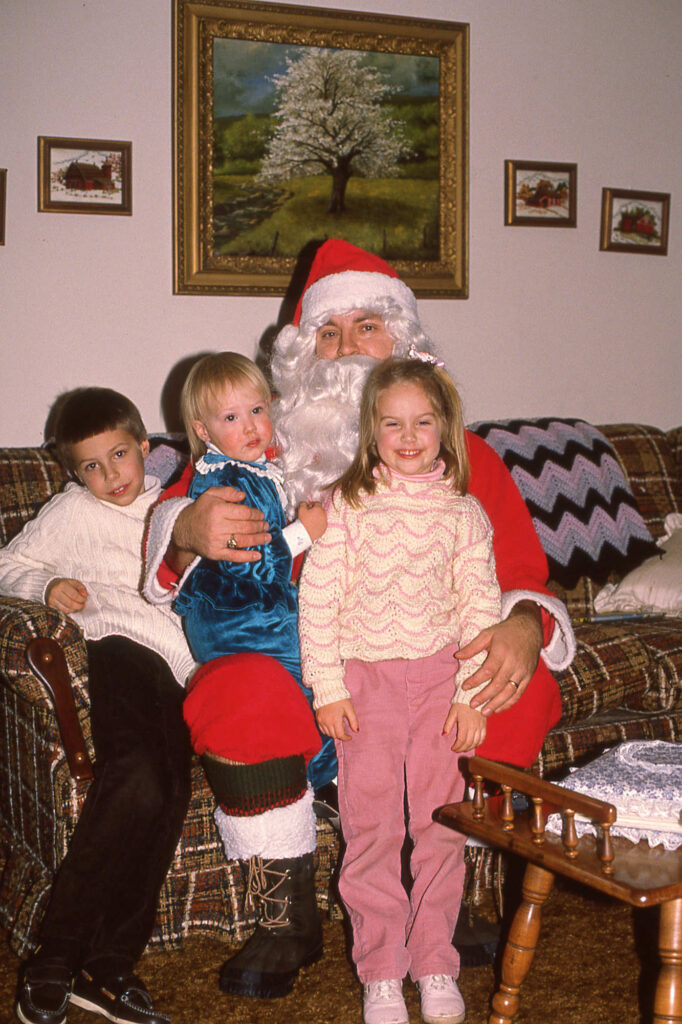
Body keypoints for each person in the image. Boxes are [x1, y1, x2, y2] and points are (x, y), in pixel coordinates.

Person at [143, 239, 575, 993]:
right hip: (301, 677)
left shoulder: (463, 453)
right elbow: (170, 538)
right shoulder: (251, 443)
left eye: (366, 327)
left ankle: (446, 894)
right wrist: (183, 531)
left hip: (421, 675)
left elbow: (520, 576)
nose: (345, 349)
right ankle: (287, 916)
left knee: (522, 685)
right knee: (234, 690)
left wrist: (522, 625)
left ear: (405, 343)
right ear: (299, 359)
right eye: (328, 333)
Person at [298, 357, 502, 1024]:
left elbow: (481, 614)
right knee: (372, 829)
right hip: (367, 684)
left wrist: (472, 694)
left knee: (442, 827)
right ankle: (382, 970)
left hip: (443, 683)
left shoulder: (465, 513)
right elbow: (318, 604)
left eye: (423, 422)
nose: (408, 436)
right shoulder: (346, 506)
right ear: (371, 431)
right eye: (393, 424)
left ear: (445, 428)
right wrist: (328, 686)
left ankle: (436, 961)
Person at [0, 388, 196, 1024]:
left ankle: (110, 966)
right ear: (73, 472)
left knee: (170, 791)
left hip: (183, 668)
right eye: (91, 466)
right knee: (137, 777)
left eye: (119, 456)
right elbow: (7, 565)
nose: (111, 476)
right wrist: (45, 584)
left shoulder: (175, 505)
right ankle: (55, 956)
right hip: (118, 649)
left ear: (145, 448)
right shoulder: (73, 514)